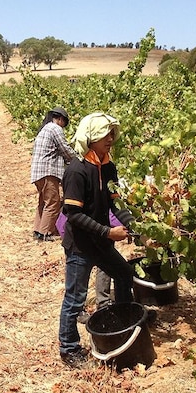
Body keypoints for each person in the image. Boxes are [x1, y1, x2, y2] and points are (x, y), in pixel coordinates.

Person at [57, 112, 136, 367]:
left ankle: (125, 323)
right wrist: (107, 232)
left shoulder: (108, 166)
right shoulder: (77, 170)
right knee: (75, 299)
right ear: (90, 137)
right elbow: (73, 214)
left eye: (112, 133)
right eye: (105, 134)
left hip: (101, 243)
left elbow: (116, 204)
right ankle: (69, 349)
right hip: (81, 246)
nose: (110, 139)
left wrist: (133, 225)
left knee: (124, 274)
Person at [30, 107, 76, 241]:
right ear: (61, 119)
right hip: (48, 171)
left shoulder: (44, 129)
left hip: (38, 172)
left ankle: (38, 230)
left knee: (43, 202)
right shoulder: (55, 129)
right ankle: (45, 233)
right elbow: (65, 149)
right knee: (53, 202)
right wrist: (79, 161)